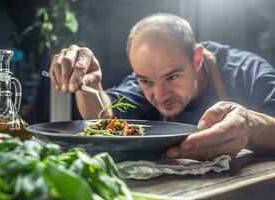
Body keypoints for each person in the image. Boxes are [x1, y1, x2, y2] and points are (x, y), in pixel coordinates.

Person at [49, 13, 275, 160]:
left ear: (197, 59)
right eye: (145, 81)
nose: (159, 95)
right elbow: (106, 119)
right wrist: (91, 84)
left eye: (172, 77)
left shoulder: (248, 72)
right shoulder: (149, 77)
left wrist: (252, 125)